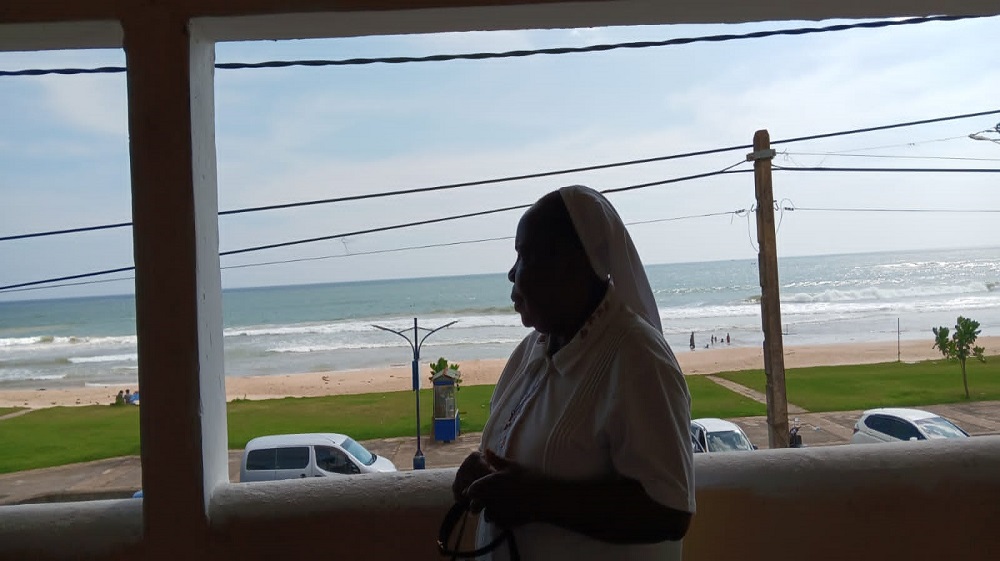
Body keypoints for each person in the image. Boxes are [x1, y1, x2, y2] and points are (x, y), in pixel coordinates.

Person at [451, 186, 695, 560]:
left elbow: (671, 511)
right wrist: (479, 474)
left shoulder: (639, 360)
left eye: (524, 255)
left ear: (573, 265)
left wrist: (537, 500)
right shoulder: (530, 351)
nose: (512, 273)